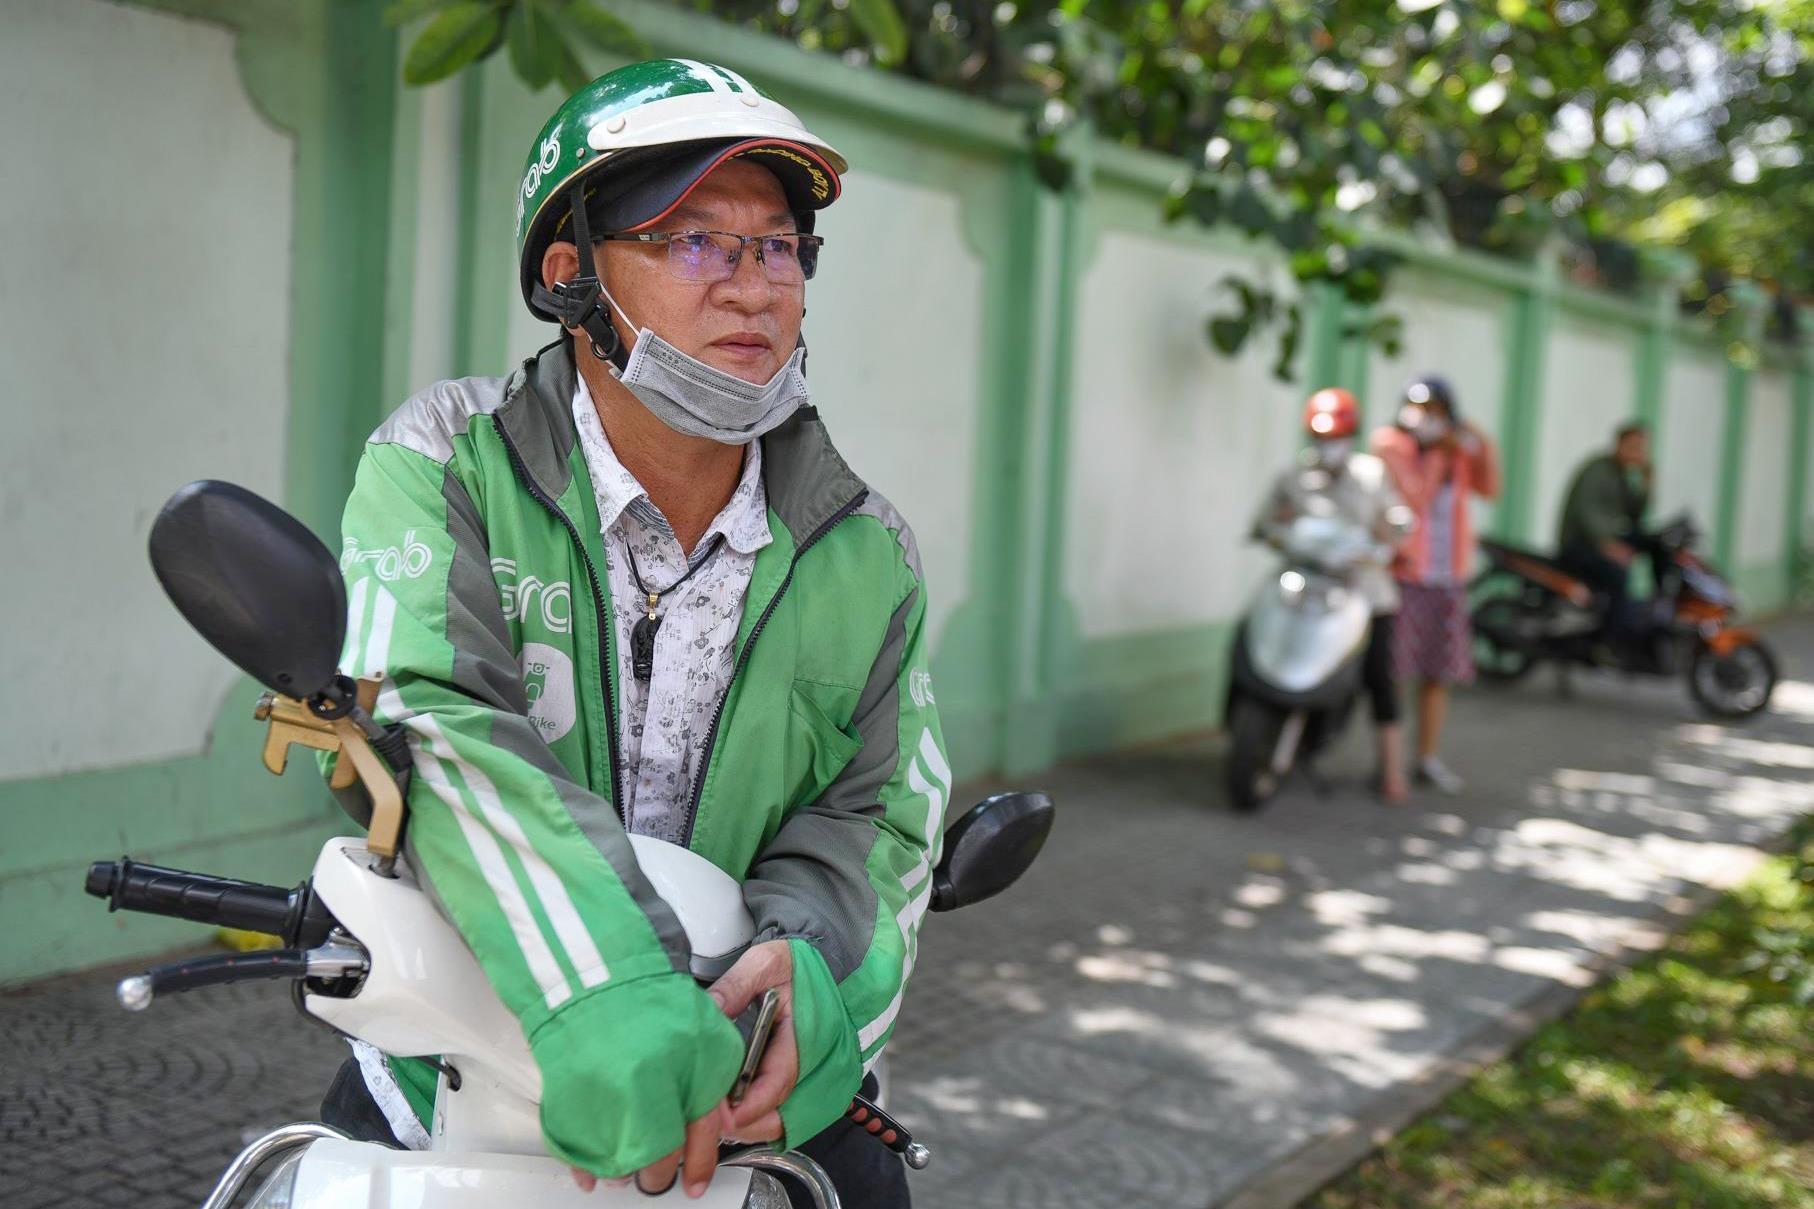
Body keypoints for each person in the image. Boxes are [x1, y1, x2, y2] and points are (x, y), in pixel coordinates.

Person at [318, 60, 944, 1206]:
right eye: (694, 241)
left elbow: (877, 812)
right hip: (455, 1065)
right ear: (570, 278)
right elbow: (421, 717)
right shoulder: (443, 464)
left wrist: (803, 978)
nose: (753, 288)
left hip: (748, 1100)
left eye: (778, 247)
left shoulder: (866, 550)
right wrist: (602, 988)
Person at [1253, 388, 1415, 800]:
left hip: (1362, 591)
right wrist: (1273, 528)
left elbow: (1398, 518)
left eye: (1335, 437)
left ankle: (1392, 771)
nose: (1328, 447)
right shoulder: (1293, 477)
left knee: (1380, 676)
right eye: (1320, 437)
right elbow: (1264, 521)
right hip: (1305, 582)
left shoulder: (1371, 476)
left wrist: (1391, 533)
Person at [1370, 376, 1501, 795]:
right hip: (1405, 575)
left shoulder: (1456, 453)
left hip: (1448, 577)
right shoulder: (1392, 445)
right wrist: (1434, 458)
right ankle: (1389, 764)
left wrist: (1475, 438)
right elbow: (1416, 500)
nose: (1426, 420)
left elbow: (1490, 486)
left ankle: (1425, 758)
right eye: (1419, 410)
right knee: (1392, 673)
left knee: (1436, 674)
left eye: (1436, 413)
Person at [1556, 422, 1653, 659]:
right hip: (1578, 546)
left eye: (1642, 449)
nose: (1637, 453)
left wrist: (1647, 482)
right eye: (1633, 447)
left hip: (1600, 544)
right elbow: (1586, 513)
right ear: (1618, 445)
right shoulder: (1597, 471)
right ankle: (1610, 643)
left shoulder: (1622, 476)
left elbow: (1635, 514)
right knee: (1617, 576)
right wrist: (1607, 546)